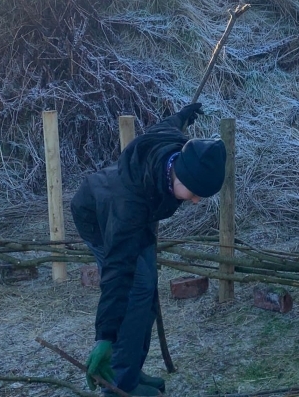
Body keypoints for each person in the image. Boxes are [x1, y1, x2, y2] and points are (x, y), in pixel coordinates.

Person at [71, 103, 227, 396]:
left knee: (145, 288)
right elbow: (116, 273)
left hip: (135, 215)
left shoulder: (173, 146)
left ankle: (130, 368)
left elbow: (167, 124)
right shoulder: (128, 206)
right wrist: (104, 336)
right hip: (101, 218)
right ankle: (119, 385)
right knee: (134, 291)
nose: (195, 201)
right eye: (194, 193)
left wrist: (184, 115)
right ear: (178, 175)